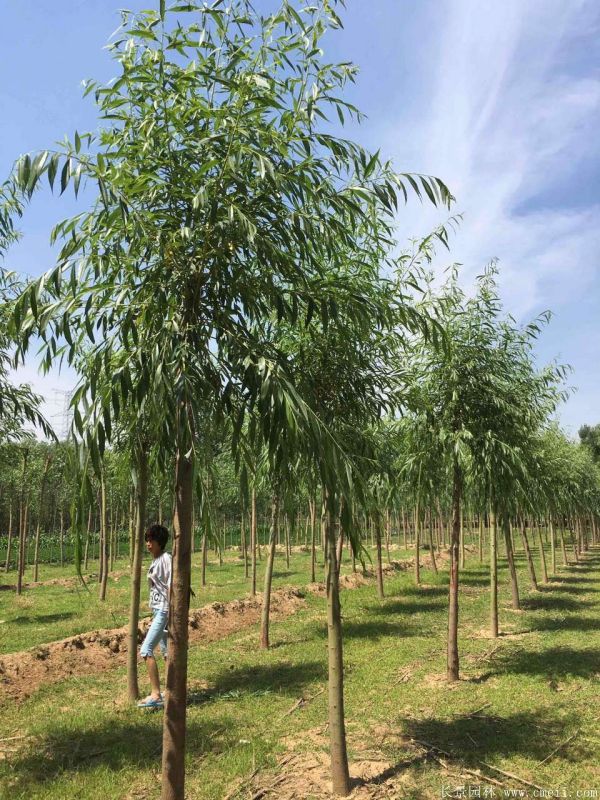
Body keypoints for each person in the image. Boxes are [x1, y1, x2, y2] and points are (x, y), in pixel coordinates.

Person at [137, 523, 172, 709]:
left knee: (146, 649)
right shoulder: (155, 561)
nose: (148, 543)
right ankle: (170, 690)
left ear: (160, 542)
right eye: (147, 540)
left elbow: (172, 584)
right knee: (167, 653)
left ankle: (156, 693)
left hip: (165, 611)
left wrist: (173, 611)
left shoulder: (166, 559)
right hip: (159, 610)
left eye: (152, 540)